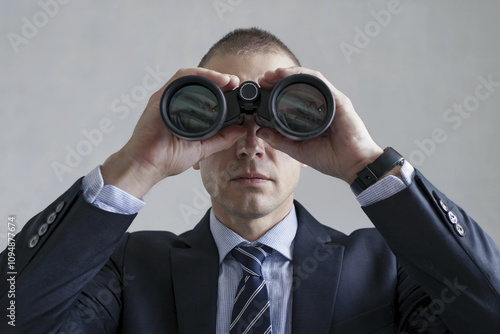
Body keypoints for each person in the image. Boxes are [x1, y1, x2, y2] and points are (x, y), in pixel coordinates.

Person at [1, 27, 499, 334]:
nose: (251, 142)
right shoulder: (130, 271)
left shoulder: (385, 268)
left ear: (307, 149)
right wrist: (137, 163)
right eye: (220, 122)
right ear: (195, 152)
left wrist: (364, 162)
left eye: (285, 119)